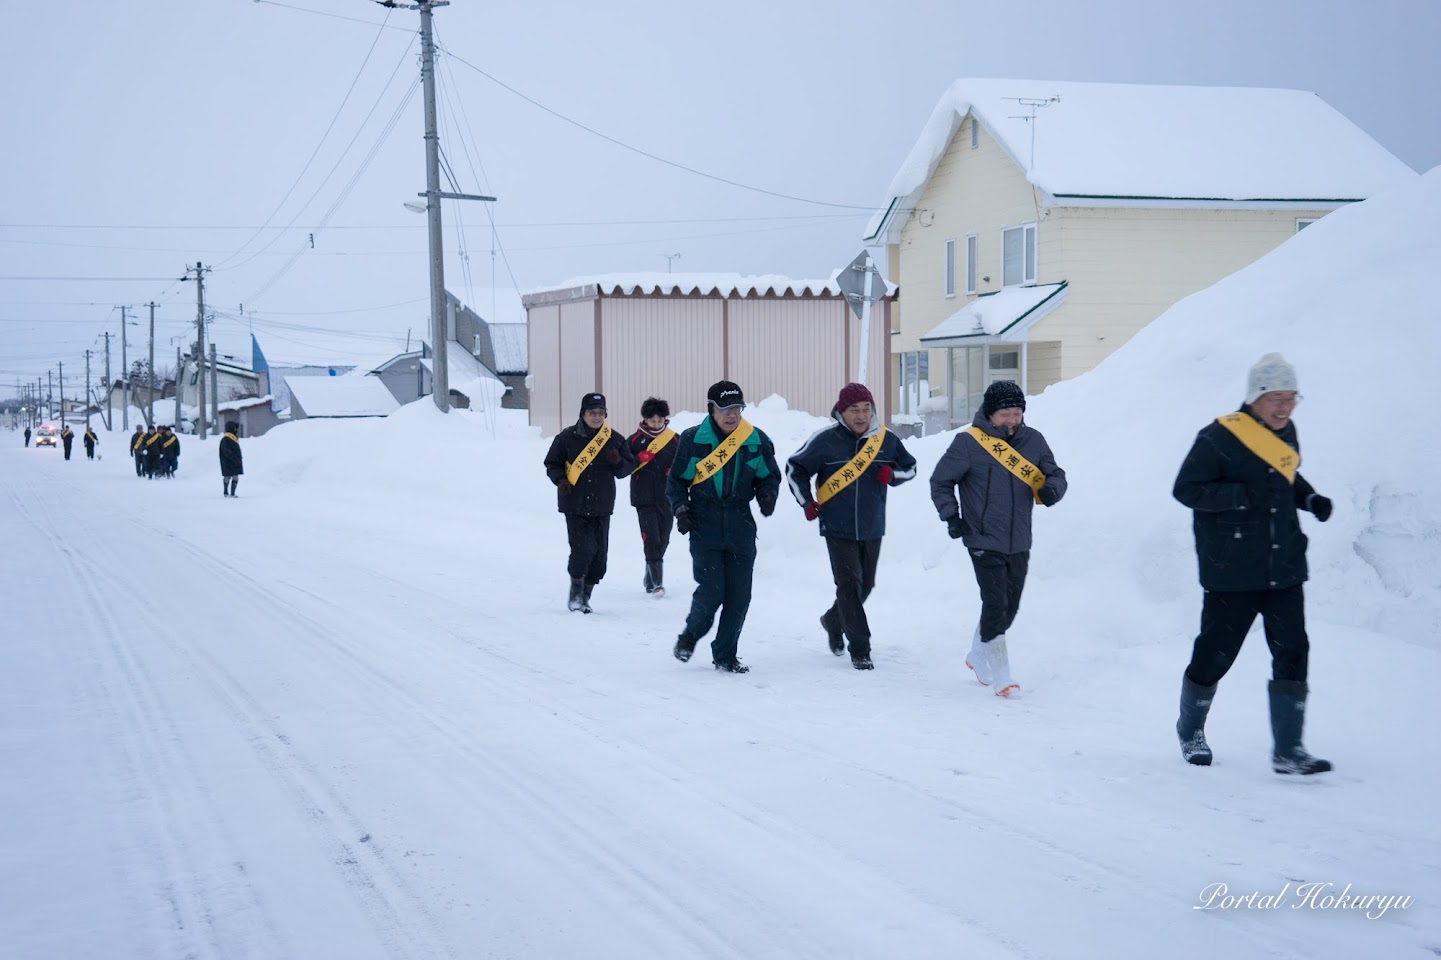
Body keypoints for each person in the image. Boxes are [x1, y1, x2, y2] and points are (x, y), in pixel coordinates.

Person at [1172, 353, 1332, 775]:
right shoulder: (1217, 438)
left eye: (1291, 398)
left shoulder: (1287, 432)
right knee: (1215, 656)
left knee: (1294, 652)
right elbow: (1186, 490)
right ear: (1255, 397)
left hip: (1284, 568)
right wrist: (1241, 497)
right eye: (1275, 398)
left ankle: (1288, 750)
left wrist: (1308, 497)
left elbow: (1284, 477)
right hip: (1232, 570)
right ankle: (1191, 732)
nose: (1284, 407)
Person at [929, 380, 1067, 697]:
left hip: (1019, 539)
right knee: (995, 602)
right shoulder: (967, 443)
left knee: (1009, 608)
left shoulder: (1034, 440)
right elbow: (940, 481)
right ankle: (1002, 675)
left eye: (1017, 413)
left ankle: (977, 654)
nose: (1012, 420)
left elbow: (1056, 474)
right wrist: (952, 517)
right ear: (991, 414)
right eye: (1006, 413)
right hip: (981, 537)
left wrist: (1052, 490)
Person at [786, 382, 917, 670]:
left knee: (865, 585)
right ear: (841, 412)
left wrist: (892, 474)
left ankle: (833, 620)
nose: (861, 416)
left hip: (872, 525)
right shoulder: (825, 440)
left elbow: (911, 467)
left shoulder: (887, 440)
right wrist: (807, 502)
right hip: (837, 525)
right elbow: (795, 468)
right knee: (848, 584)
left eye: (866, 409)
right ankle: (860, 648)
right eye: (854, 410)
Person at [666, 381, 781, 674]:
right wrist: (681, 509)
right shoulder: (693, 440)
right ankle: (690, 636)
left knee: (739, 595)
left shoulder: (755, 440)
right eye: (725, 409)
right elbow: (676, 482)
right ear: (711, 410)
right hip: (704, 525)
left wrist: (767, 494)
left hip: (741, 524)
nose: (732, 415)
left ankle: (726, 655)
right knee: (712, 590)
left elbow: (770, 476)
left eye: (737, 408)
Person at [543, 392, 636, 613]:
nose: (596, 417)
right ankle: (575, 596)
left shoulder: (614, 439)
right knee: (582, 549)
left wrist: (618, 462)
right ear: (582, 414)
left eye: (600, 413)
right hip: (574, 504)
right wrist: (561, 480)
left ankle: (586, 595)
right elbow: (552, 463)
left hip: (602, 506)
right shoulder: (566, 438)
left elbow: (626, 470)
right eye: (592, 413)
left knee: (600, 557)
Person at [627, 397, 680, 597]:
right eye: (653, 420)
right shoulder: (634, 440)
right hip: (643, 497)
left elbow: (684, 463)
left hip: (667, 497)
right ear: (645, 419)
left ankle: (650, 575)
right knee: (651, 538)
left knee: (663, 539)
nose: (656, 424)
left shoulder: (675, 439)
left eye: (660, 420)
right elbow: (622, 467)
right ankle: (658, 582)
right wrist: (638, 459)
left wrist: (672, 472)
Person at [220, 421, 243, 497]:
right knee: (227, 477)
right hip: (228, 462)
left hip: (234, 461)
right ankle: (226, 492)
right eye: (235, 428)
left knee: (235, 476)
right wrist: (233, 457)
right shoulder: (226, 439)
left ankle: (232, 493)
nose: (236, 430)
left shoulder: (233, 438)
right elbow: (226, 451)